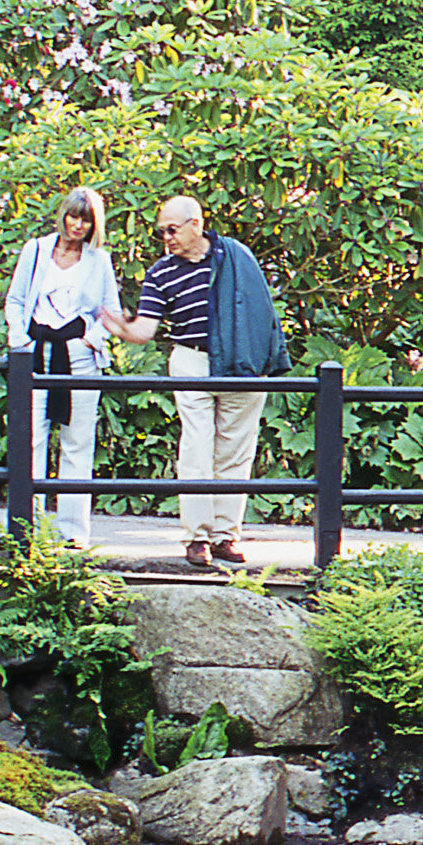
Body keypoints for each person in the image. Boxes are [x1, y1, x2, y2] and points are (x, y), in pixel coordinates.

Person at [120, 194, 289, 569]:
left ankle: (225, 536)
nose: (166, 237)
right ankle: (196, 538)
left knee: (236, 452)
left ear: (195, 224)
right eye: (161, 231)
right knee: (196, 450)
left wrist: (263, 360)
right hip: (191, 360)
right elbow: (146, 328)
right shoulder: (161, 271)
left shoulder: (235, 258)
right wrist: (121, 327)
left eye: (172, 229)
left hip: (239, 364)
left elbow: (261, 310)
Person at [0, 188, 123, 547]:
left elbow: (109, 310)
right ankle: (27, 530)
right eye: (73, 215)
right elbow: (16, 299)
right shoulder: (36, 250)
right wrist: (19, 339)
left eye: (85, 219)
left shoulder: (99, 260)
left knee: (77, 442)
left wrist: (91, 340)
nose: (77, 224)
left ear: (94, 224)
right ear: (63, 215)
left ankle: (73, 533)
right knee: (30, 440)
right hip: (35, 355)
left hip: (79, 357)